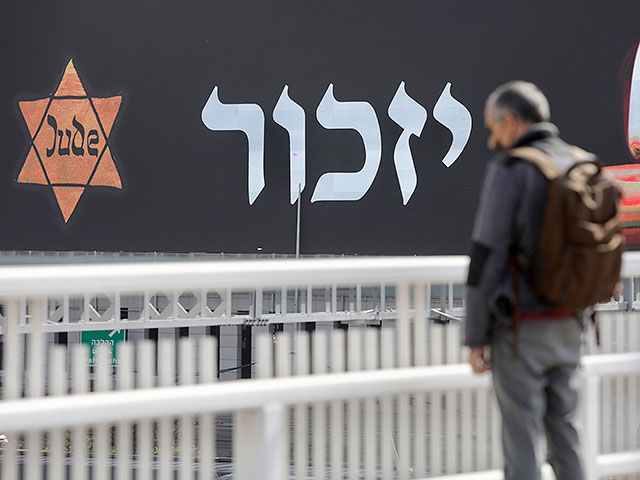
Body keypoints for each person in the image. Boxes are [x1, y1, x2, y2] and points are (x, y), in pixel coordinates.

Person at [465, 81, 585, 480]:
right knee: (566, 436)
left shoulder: (512, 170)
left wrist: (475, 336)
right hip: (571, 326)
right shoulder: (581, 163)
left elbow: (487, 255)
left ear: (511, 121)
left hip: (522, 331)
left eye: (493, 129)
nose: (492, 141)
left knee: (522, 446)